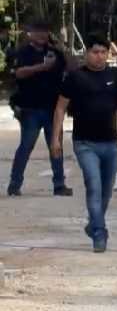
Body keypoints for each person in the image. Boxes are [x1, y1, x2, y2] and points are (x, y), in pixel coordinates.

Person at [50, 35, 117, 252]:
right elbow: (60, 109)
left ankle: (93, 223)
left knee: (106, 191)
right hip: (85, 144)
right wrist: (55, 139)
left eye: (103, 52)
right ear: (87, 53)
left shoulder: (115, 76)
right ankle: (99, 233)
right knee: (93, 186)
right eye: (95, 52)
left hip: (111, 144)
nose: (99, 56)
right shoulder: (75, 77)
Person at [6, 19, 71, 197]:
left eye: (45, 30)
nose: (42, 34)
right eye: (38, 30)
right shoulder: (23, 53)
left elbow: (68, 74)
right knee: (26, 146)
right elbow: (18, 73)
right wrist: (42, 67)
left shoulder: (55, 53)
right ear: (30, 33)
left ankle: (59, 185)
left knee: (56, 146)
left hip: (52, 108)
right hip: (30, 108)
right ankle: (14, 184)